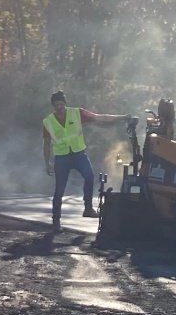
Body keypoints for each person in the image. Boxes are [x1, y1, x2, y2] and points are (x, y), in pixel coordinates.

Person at [41, 90, 125, 226]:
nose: (59, 107)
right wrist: (47, 163)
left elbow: (100, 117)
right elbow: (46, 144)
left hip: (78, 154)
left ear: (65, 103)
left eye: (61, 104)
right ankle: (56, 221)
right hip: (62, 157)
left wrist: (122, 117)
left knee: (89, 176)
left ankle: (88, 208)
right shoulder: (48, 122)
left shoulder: (77, 113)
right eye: (56, 105)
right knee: (59, 189)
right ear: (53, 106)